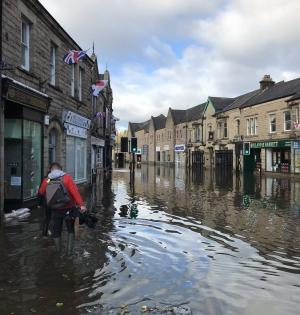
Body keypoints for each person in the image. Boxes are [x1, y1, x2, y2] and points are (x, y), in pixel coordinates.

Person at [38, 162, 87, 255]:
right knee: (70, 229)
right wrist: (81, 205)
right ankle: (69, 253)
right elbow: (74, 192)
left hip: (55, 209)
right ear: (60, 169)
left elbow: (41, 192)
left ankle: (58, 252)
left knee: (56, 230)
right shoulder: (67, 178)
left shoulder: (47, 180)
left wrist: (39, 204)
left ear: (51, 169)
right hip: (69, 208)